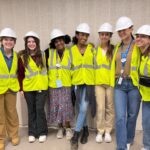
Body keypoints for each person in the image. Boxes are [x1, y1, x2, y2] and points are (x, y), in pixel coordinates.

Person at [112, 16, 141, 150]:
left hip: (134, 84)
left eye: (124, 30)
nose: (122, 33)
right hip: (119, 85)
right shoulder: (117, 47)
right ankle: (122, 146)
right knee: (120, 117)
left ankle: (129, 138)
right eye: (119, 31)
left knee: (132, 115)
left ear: (131, 29)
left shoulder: (138, 45)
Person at [18, 31, 48, 143]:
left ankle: (42, 132)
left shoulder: (44, 54)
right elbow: (20, 74)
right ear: (26, 43)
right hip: (28, 88)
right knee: (31, 110)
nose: (31, 43)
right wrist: (21, 88)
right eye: (29, 41)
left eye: (33, 41)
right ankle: (32, 132)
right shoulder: (22, 57)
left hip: (42, 87)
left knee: (39, 109)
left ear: (37, 42)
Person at [70, 23, 96, 150]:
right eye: (82, 35)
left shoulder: (92, 49)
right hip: (77, 84)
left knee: (84, 108)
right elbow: (69, 67)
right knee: (80, 109)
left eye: (86, 35)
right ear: (77, 35)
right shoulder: (71, 50)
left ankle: (75, 135)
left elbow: (96, 65)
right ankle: (85, 130)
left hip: (88, 83)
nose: (84, 37)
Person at [46, 29, 73, 140]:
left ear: (64, 40)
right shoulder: (49, 52)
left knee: (66, 107)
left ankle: (68, 128)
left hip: (66, 84)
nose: (59, 43)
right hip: (53, 85)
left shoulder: (70, 52)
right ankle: (60, 128)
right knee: (56, 107)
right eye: (56, 42)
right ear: (53, 43)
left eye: (60, 40)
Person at [0, 28, 20, 150]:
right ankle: (1, 138)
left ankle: (14, 135)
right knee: (0, 114)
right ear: (1, 41)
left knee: (12, 113)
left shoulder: (17, 56)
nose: (8, 42)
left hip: (12, 87)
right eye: (6, 39)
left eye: (11, 40)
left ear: (14, 42)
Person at [95, 23, 114, 143]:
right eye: (102, 34)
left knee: (110, 108)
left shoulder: (114, 49)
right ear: (99, 35)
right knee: (100, 108)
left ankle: (108, 131)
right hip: (98, 83)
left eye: (107, 34)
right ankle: (100, 131)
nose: (104, 36)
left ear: (110, 36)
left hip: (110, 83)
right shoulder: (94, 50)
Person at [135, 25, 150, 150]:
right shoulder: (141, 54)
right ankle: (147, 146)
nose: (139, 39)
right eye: (138, 36)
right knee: (146, 123)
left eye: (143, 37)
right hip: (146, 97)